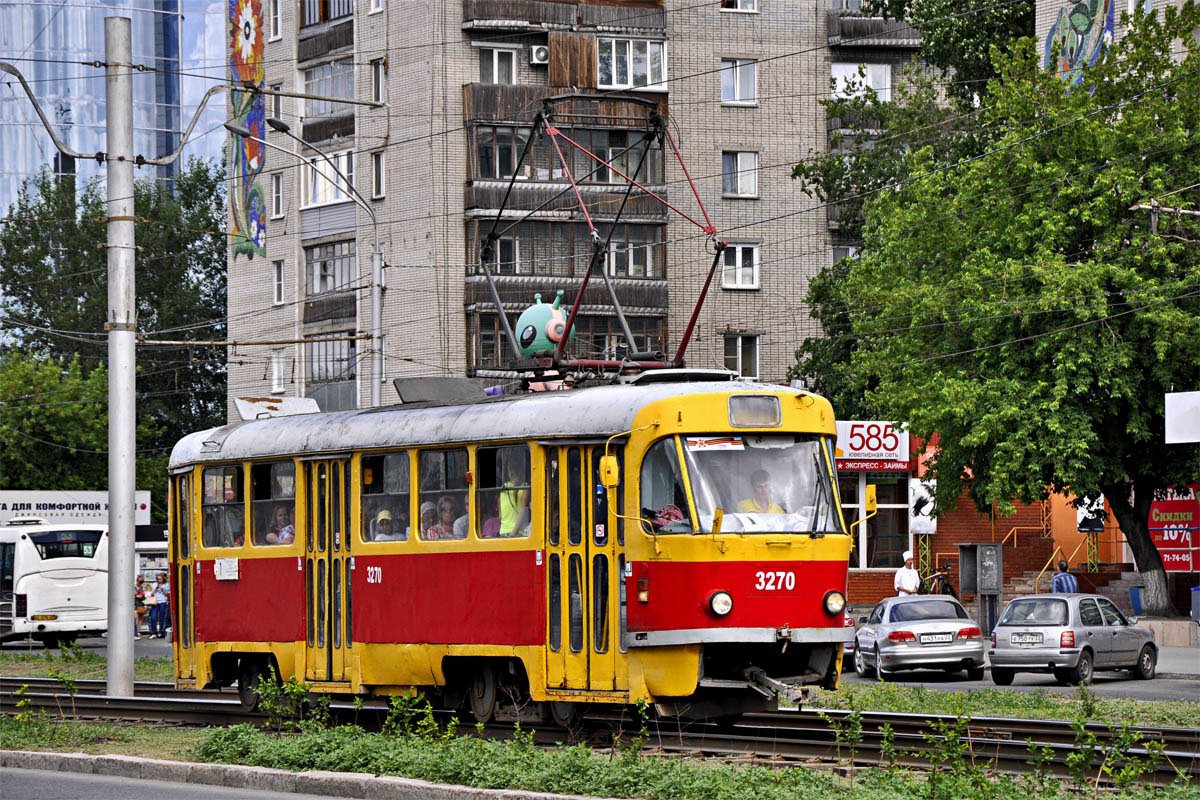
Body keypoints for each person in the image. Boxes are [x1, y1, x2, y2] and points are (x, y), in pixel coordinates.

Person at [499, 460, 531, 536]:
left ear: (509, 472)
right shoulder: (525, 486)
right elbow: (523, 511)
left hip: (504, 531)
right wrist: (513, 534)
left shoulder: (504, 487)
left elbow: (500, 515)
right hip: (517, 532)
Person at [148, 572, 171, 638]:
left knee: (162, 618)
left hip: (163, 602)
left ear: (163, 579)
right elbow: (152, 594)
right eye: (158, 579)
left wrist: (162, 589)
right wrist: (156, 588)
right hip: (155, 602)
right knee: (153, 617)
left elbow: (167, 594)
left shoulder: (166, 585)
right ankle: (154, 633)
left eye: (160, 579)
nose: (159, 581)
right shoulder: (155, 584)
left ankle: (161, 632)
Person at [133, 575, 147, 639]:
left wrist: (145, 604)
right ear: (137, 581)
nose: (140, 583)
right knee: (135, 618)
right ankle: (134, 632)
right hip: (135, 604)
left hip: (141, 604)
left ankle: (138, 631)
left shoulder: (143, 588)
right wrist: (138, 595)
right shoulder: (133, 587)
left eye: (141, 582)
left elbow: (143, 596)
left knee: (141, 618)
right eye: (139, 582)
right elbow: (135, 595)